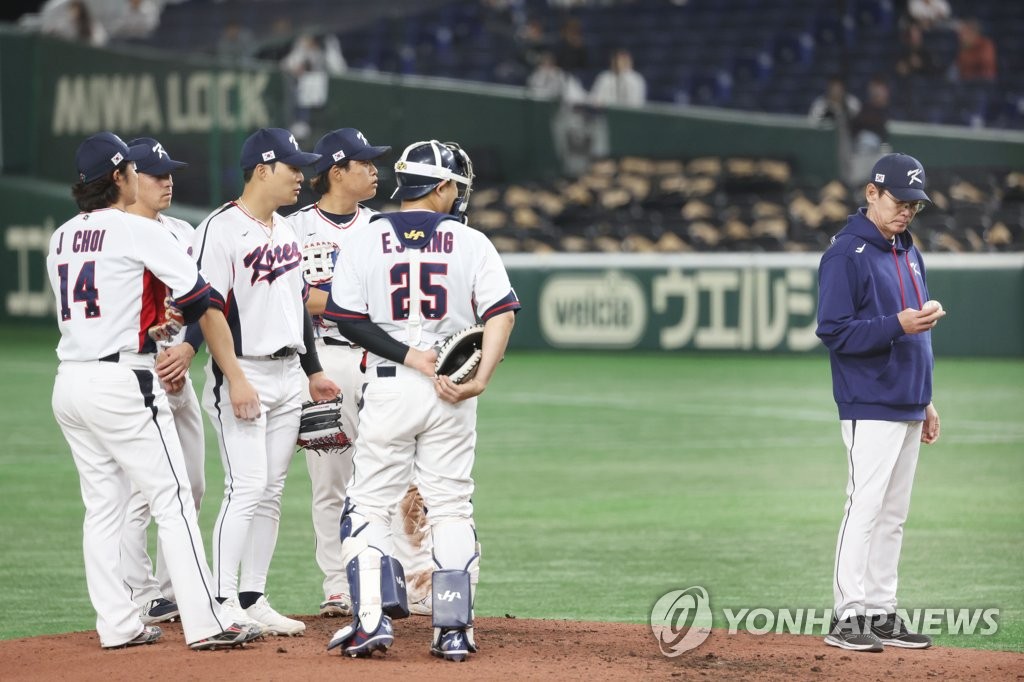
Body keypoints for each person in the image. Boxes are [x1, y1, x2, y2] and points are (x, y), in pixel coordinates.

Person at [47, 131, 262, 651]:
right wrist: (228, 364)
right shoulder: (135, 231)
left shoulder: (61, 235)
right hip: (124, 380)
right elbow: (201, 298)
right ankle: (209, 621)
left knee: (103, 507)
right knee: (174, 498)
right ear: (120, 177)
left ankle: (118, 624)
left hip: (70, 379)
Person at [323, 140, 520, 660]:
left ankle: (370, 624)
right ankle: (453, 629)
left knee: (367, 504)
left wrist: (411, 356)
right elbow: (502, 312)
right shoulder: (471, 241)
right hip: (452, 388)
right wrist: (480, 379)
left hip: (390, 385)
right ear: (441, 187)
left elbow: (346, 319)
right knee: (451, 506)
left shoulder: (365, 238)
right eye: (456, 185)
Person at [192, 127, 340, 636]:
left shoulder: (286, 229)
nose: (302, 175)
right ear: (262, 169)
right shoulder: (220, 228)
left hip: (286, 373)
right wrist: (234, 377)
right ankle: (220, 600)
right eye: (292, 167)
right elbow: (208, 310)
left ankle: (253, 597)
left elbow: (298, 305)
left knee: (272, 490)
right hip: (245, 370)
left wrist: (313, 370)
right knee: (246, 487)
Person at [288, 127, 436, 619]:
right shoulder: (297, 228)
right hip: (323, 359)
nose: (376, 170)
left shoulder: (380, 227)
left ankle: (403, 580)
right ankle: (337, 585)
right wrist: (349, 303)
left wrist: (339, 302)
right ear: (336, 171)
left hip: (380, 357)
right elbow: (293, 295)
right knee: (331, 478)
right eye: (364, 162)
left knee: (396, 475)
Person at [816, 152, 945, 652]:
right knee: (864, 507)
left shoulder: (908, 250)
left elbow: (916, 334)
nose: (908, 210)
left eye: (915, 203)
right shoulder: (845, 254)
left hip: (909, 399)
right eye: (900, 199)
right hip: (869, 400)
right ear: (872, 192)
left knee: (893, 514)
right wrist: (898, 324)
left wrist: (927, 399)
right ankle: (847, 617)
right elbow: (833, 331)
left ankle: (881, 612)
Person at [118, 137, 205, 627]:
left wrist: (188, 345)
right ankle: (141, 594)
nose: (167, 180)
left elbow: (204, 301)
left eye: (170, 172)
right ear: (129, 180)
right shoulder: (115, 232)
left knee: (191, 483)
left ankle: (178, 589)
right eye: (156, 174)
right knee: (141, 493)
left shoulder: (181, 231)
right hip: (133, 369)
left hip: (176, 368)